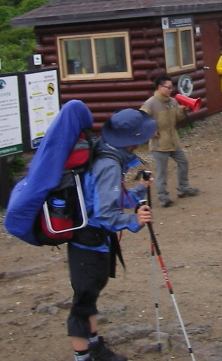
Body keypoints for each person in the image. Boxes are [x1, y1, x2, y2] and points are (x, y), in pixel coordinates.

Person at [66, 109, 155, 361]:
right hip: (88, 241)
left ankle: (94, 349)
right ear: (132, 138)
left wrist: (138, 191)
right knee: (83, 301)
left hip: (90, 240)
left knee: (90, 294)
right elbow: (105, 212)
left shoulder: (105, 151)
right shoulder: (108, 163)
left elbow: (103, 197)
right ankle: (83, 357)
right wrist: (132, 220)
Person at [139, 76, 199, 208]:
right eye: (168, 87)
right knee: (162, 171)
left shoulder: (172, 101)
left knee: (183, 162)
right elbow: (141, 119)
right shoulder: (151, 103)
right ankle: (163, 197)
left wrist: (183, 111)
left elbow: (177, 118)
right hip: (159, 145)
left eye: (171, 87)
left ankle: (183, 188)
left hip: (173, 141)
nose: (171, 90)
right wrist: (150, 131)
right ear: (159, 87)